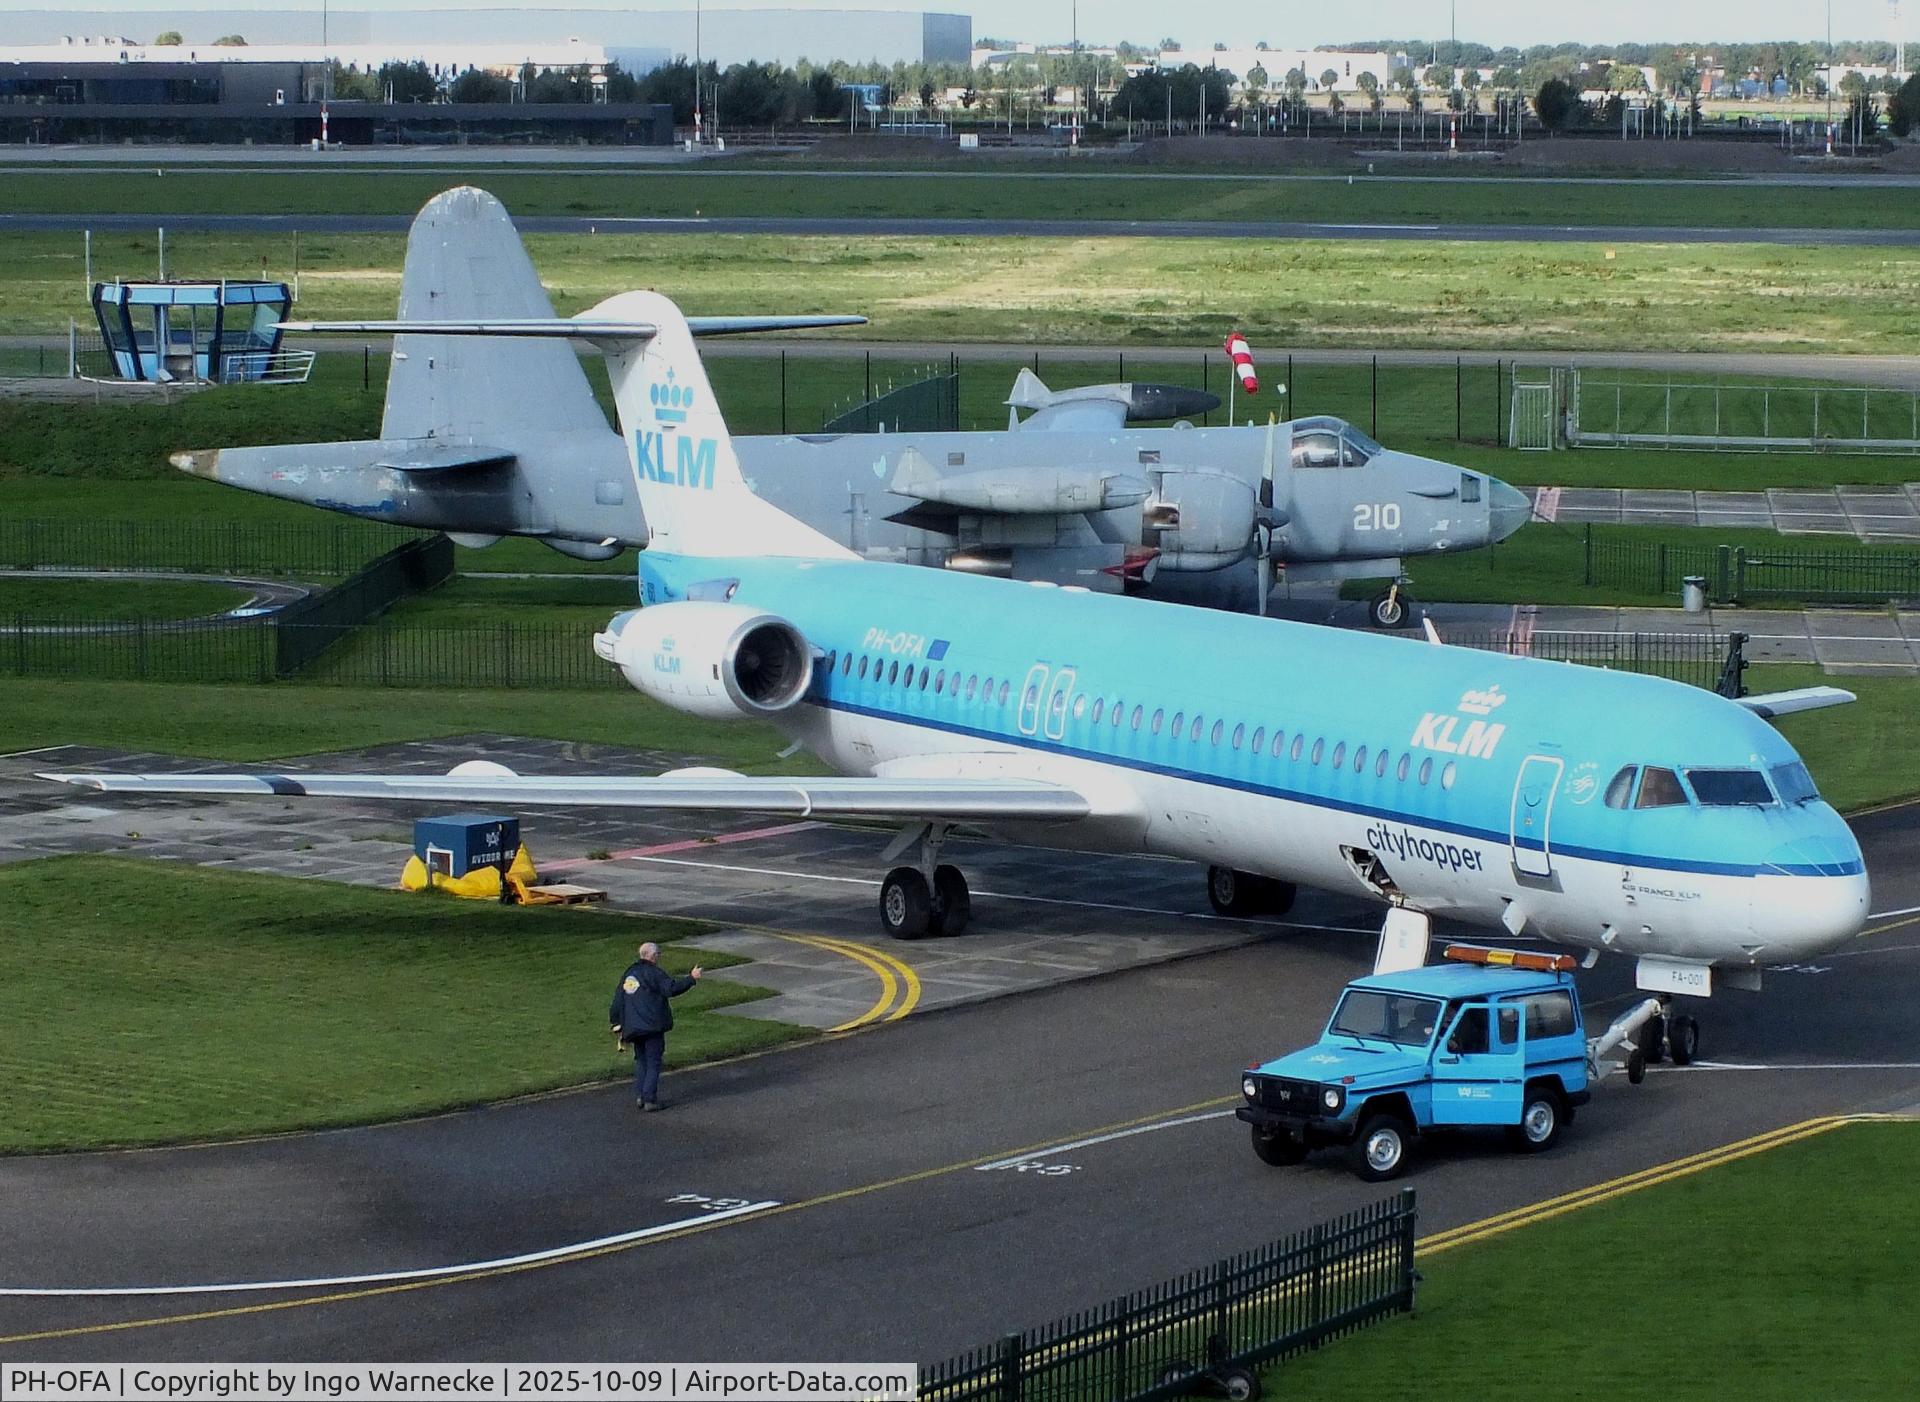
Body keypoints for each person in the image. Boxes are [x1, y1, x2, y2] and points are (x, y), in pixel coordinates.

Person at [609, 941, 702, 1112]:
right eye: (658, 954)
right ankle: (649, 1099)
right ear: (653, 956)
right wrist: (691, 978)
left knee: (641, 1061)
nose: (659, 957)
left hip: (633, 1028)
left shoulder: (630, 974)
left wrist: (616, 1024)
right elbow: (671, 989)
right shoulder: (654, 973)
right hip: (652, 1026)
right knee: (653, 1062)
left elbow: (617, 1001)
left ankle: (641, 1096)